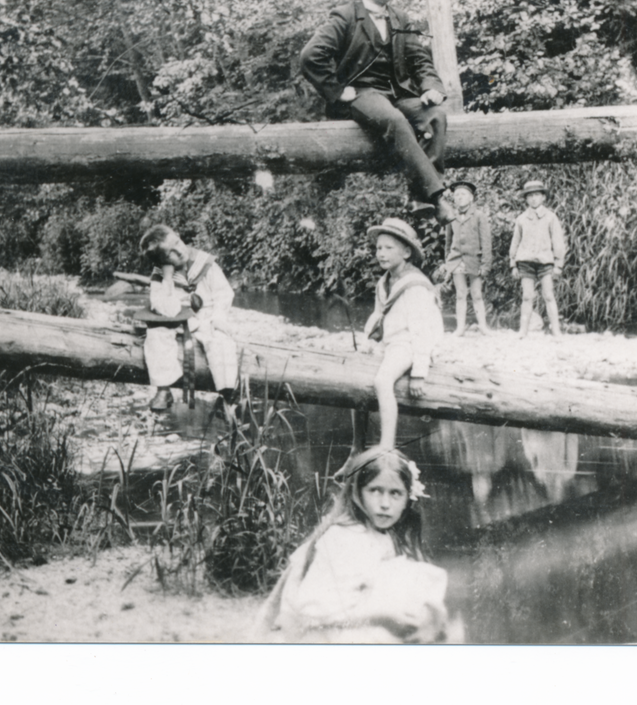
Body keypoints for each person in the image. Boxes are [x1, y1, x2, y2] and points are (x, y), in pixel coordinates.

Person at [299, 0, 456, 225]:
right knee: (395, 120)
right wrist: (336, 90)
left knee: (436, 115)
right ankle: (437, 197)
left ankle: (419, 195)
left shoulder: (400, 17)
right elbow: (311, 56)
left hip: (398, 93)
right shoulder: (345, 16)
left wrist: (431, 86)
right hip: (362, 94)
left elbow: (419, 60)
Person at [258, 449, 452, 643]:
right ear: (358, 492)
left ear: (407, 498)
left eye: (395, 493)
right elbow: (311, 611)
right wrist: (382, 616)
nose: (385, 504)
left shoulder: (383, 535)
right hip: (319, 636)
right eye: (375, 490)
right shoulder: (344, 537)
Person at [341, 218, 444, 474]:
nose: (381, 254)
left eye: (389, 248)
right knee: (358, 379)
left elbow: (423, 332)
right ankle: (356, 449)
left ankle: (386, 451)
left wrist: (419, 371)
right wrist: (368, 341)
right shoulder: (383, 282)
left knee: (382, 381)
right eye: (378, 248)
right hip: (390, 343)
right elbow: (379, 316)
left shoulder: (416, 285)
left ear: (406, 252)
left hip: (410, 344)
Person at [137, 224, 239, 414]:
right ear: (161, 261)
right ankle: (163, 388)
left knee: (221, 341)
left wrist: (218, 317)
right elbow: (164, 308)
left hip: (208, 317)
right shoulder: (160, 276)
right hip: (179, 321)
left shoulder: (204, 264)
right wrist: (167, 280)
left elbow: (223, 293)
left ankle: (226, 394)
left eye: (178, 242)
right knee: (156, 335)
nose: (179, 251)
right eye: (170, 253)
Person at [509, 179, 567, 339]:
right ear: (526, 199)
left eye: (536, 195)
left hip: (545, 262)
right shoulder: (521, 219)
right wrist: (513, 264)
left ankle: (556, 330)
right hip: (526, 262)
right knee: (527, 296)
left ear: (543, 197)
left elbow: (558, 242)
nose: (533, 199)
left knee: (548, 295)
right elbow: (515, 242)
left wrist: (558, 264)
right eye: (530, 196)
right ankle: (523, 330)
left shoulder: (550, 217)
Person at [443, 179, 492, 336]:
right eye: (456, 195)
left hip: (474, 261)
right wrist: (448, 262)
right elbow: (448, 242)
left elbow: (486, 243)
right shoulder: (451, 217)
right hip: (457, 260)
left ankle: (483, 326)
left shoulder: (479, 216)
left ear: (471, 198)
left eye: (463, 194)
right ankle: (460, 328)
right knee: (460, 294)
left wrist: (485, 265)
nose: (459, 197)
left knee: (477, 294)